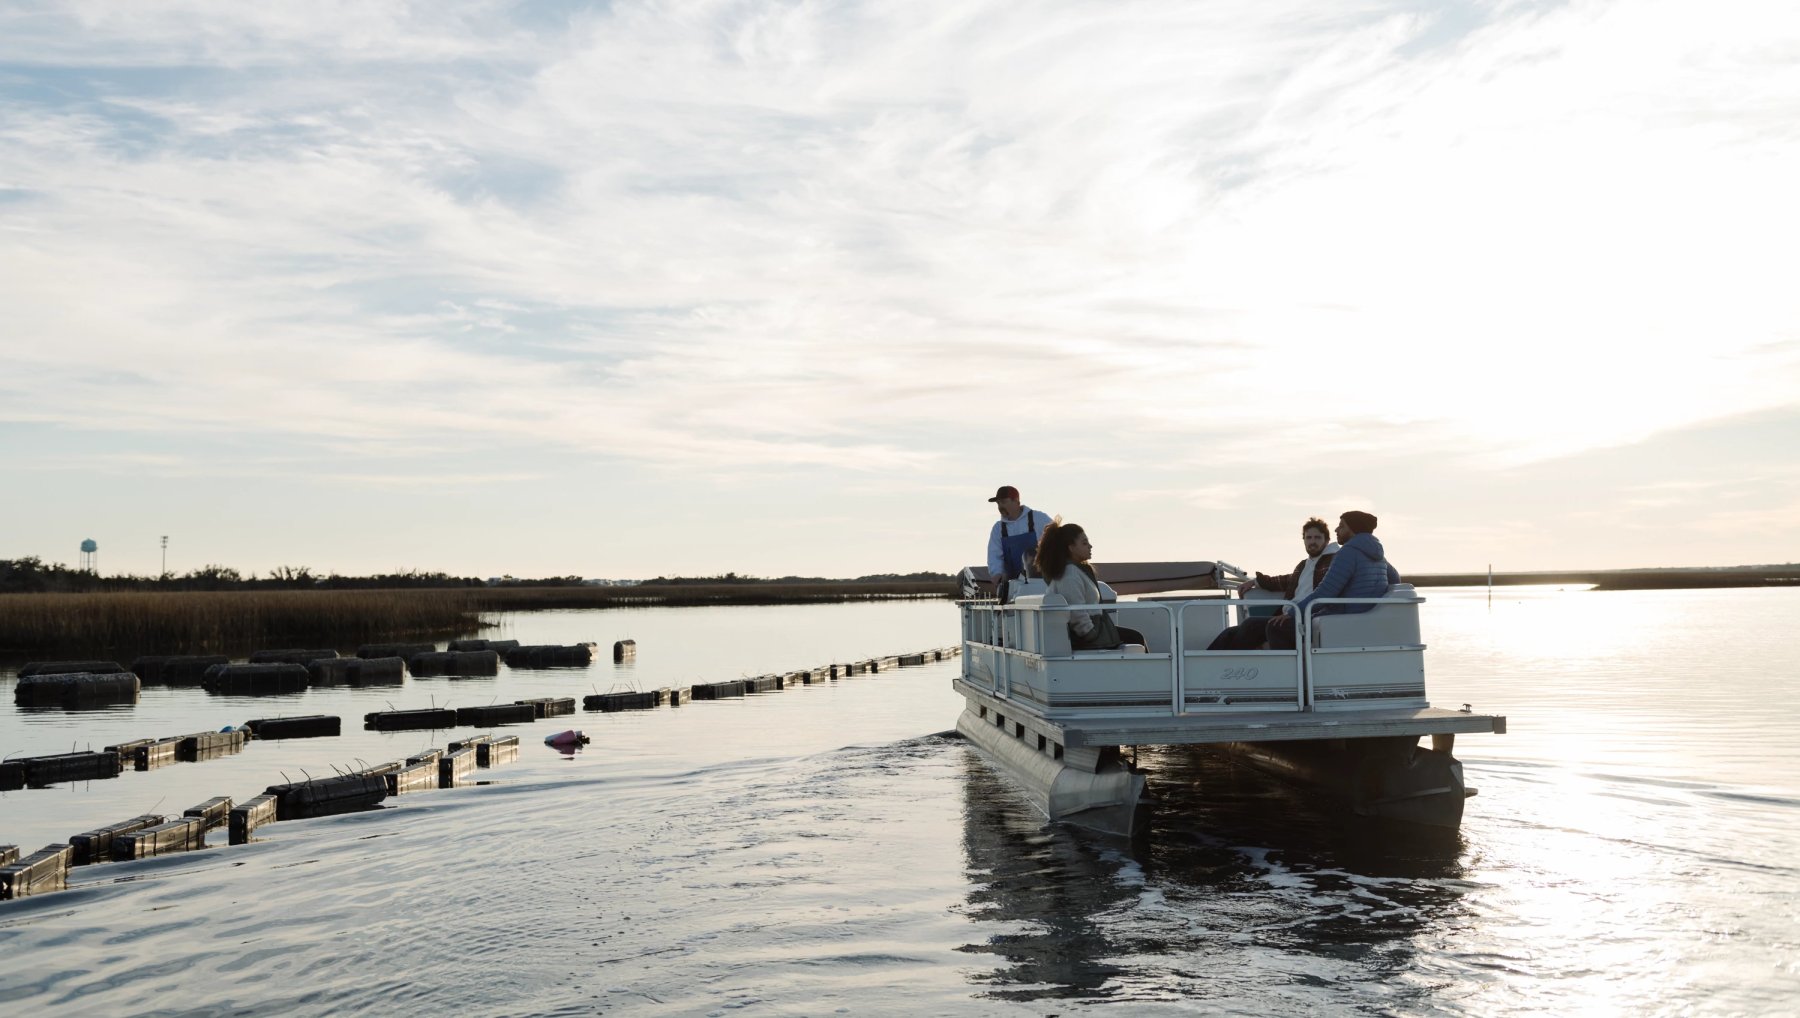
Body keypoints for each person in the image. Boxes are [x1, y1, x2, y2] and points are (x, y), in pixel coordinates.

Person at [1265, 510, 1401, 650]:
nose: (1336, 529)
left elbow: (1325, 592)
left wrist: (1293, 612)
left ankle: (1292, 671)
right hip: (1364, 618)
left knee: (1276, 627)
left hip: (1341, 620)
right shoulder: (1378, 556)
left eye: (1341, 526)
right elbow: (1396, 580)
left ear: (1354, 529)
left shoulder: (1347, 553)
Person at [1208, 517, 1339, 651]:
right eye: (1309, 537)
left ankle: (1230, 663)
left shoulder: (1333, 561)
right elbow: (1286, 580)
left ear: (1327, 540)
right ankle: (1204, 663)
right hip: (1289, 614)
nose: (1312, 542)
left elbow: (1329, 589)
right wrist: (1255, 582)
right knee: (1230, 632)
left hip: (1307, 616)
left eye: (1317, 537)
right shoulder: (1304, 565)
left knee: (1251, 625)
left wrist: (1295, 612)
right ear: (1304, 540)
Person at [1034, 521, 1146, 650]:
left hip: (1094, 630)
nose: (1090, 546)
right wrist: (1089, 634)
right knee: (1136, 638)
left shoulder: (1072, 571)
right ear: (1071, 547)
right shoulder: (1070, 575)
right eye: (1084, 543)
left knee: (1135, 637)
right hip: (1087, 637)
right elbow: (1076, 611)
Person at [985, 485, 1053, 601]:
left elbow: (1057, 543)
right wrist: (996, 574)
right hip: (1013, 587)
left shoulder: (1040, 518)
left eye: (1003, 502)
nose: (1000, 506)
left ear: (1016, 501)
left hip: (1042, 584)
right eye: (998, 503)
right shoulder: (998, 529)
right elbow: (994, 555)